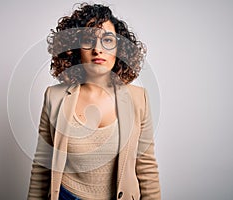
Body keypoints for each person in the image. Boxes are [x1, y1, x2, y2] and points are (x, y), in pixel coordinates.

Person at [28, 3, 160, 200]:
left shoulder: (138, 99)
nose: (98, 49)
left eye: (107, 40)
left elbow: (147, 168)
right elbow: (41, 167)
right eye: (89, 40)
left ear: (119, 48)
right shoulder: (54, 98)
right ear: (75, 49)